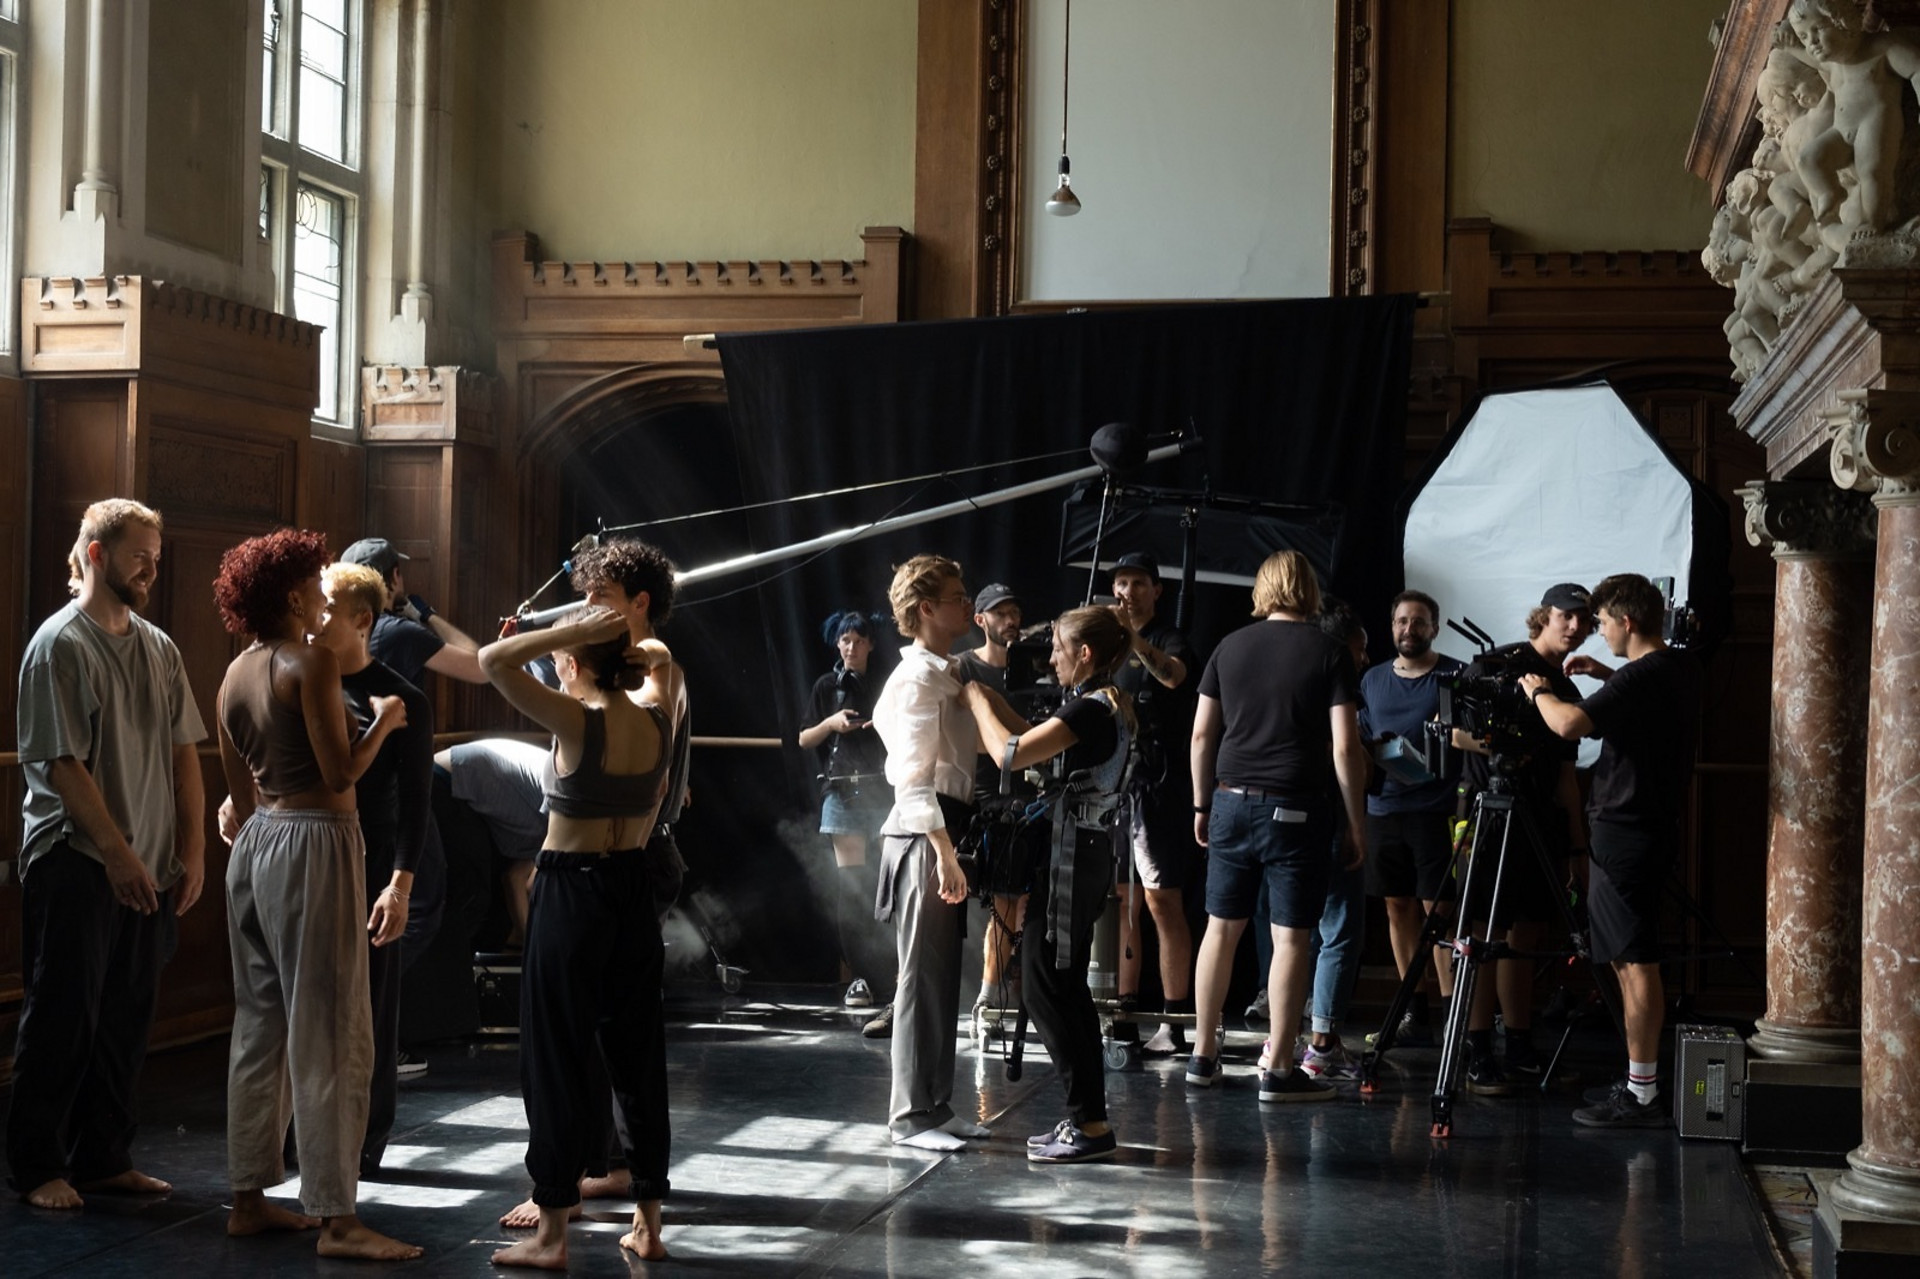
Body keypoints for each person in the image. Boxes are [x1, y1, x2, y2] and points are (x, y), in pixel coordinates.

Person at [211, 528, 419, 1261]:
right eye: (312, 582)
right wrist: (385, 723)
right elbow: (339, 774)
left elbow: (238, 800)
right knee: (332, 1029)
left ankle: (247, 1200)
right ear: (292, 594)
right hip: (316, 841)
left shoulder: (235, 673)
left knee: (260, 1026)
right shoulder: (312, 661)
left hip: (257, 842)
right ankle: (338, 1219)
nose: (320, 595)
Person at [7, 499, 205, 1211]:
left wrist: (191, 847)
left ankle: (103, 1157)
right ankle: (37, 1166)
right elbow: (63, 764)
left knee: (126, 1017)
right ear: (96, 553)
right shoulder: (59, 645)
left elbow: (184, 751)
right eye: (138, 556)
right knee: (64, 1013)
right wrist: (117, 855)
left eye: (156, 556)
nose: (151, 568)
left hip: (147, 861)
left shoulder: (159, 646)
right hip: (75, 858)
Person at [477, 607, 678, 1267]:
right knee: (637, 1059)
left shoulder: (576, 720)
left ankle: (552, 1234)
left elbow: (491, 660)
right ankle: (648, 1224)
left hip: (571, 891)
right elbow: (660, 657)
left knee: (556, 1057)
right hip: (631, 889)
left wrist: (568, 631)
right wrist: (622, 643)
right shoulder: (657, 713)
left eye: (563, 658)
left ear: (570, 662)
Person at [1521, 573, 1701, 1128]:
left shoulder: (1644, 675)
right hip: (1642, 829)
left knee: (1634, 960)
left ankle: (1642, 1094)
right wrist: (1606, 675)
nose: (1597, 633)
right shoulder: (1671, 668)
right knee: (1627, 958)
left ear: (1627, 621)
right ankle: (1638, 1082)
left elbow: (1570, 725)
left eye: (1600, 623)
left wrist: (1538, 690)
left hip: (1627, 832)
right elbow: (1638, 705)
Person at [1186, 550, 1367, 1102]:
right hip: (1297, 809)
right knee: (1291, 937)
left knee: (1221, 929)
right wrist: (1355, 822)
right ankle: (1281, 1069)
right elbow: (1345, 747)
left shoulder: (1229, 646)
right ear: (1308, 590)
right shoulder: (1330, 651)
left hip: (1229, 802)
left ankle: (1202, 1057)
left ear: (1262, 589)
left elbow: (1202, 735)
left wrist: (1200, 805)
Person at [963, 606, 1136, 1163]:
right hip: (1083, 852)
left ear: (1085, 653)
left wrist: (977, 698)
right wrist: (994, 701)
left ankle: (1088, 1123)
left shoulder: (1090, 708)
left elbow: (1010, 754)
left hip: (1072, 856)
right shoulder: (1101, 703)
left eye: (1058, 648)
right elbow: (1031, 734)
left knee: (1042, 984)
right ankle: (1088, 1119)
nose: (1051, 658)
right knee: (1064, 985)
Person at [312, 561, 435, 1175]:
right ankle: (306, 1134)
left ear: (362, 620)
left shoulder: (403, 698)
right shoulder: (301, 678)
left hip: (372, 861)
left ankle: (367, 1137)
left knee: (371, 1007)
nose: (314, 620)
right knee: (310, 1004)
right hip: (311, 859)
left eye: (327, 610)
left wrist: (399, 886)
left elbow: (416, 804)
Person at [1451, 583, 1595, 1090]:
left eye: (1584, 619)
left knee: (1526, 932)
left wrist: (1577, 846)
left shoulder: (1567, 688)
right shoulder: (1495, 665)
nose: (1575, 626)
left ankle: (1517, 1043)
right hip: (1487, 814)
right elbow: (1453, 731)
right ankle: (1476, 1049)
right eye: (1566, 615)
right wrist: (1506, 743)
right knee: (1482, 933)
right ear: (1544, 616)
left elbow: (1566, 779)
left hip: (1540, 819)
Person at [870, 554, 982, 1151]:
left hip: (944, 830)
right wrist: (944, 851)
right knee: (918, 977)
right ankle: (909, 1116)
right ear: (926, 608)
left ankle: (935, 1105)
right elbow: (911, 780)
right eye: (958, 596)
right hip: (924, 835)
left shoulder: (942, 671)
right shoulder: (916, 677)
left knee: (940, 976)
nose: (967, 604)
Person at [1358, 591, 1465, 1056]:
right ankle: (1413, 1011)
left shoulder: (1456, 676)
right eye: (1402, 621)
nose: (1409, 629)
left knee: (1439, 914)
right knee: (1396, 907)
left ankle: (1453, 1015)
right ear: (1392, 626)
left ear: (1434, 628)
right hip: (1384, 810)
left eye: (1419, 621)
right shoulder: (1373, 679)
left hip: (1436, 811)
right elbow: (1361, 739)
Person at [1107, 552, 1198, 1057]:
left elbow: (1174, 676)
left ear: (1156, 590)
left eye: (1138, 582)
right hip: (1115, 784)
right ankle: (1123, 1014)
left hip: (1160, 786)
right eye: (1121, 582)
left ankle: (1173, 1020)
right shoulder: (1108, 642)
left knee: (1163, 902)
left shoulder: (1168, 638)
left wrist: (1133, 639)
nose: (1128, 591)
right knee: (1124, 900)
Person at [796, 608, 896, 1024]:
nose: (851, 647)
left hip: (883, 791)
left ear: (871, 643)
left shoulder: (888, 681)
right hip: (841, 792)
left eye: (858, 640)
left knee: (887, 887)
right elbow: (804, 739)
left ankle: (893, 975)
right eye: (845, 640)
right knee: (852, 890)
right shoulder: (827, 686)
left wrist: (880, 724)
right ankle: (860, 977)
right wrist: (831, 723)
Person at [951, 581, 1032, 1035]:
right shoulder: (964, 667)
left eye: (1014, 611)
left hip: (1034, 794)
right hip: (985, 799)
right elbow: (969, 737)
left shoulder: (1035, 665)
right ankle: (987, 1000)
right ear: (980, 619)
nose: (1011, 620)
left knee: (1026, 902)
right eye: (1000, 613)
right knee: (1000, 900)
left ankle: (1016, 994)